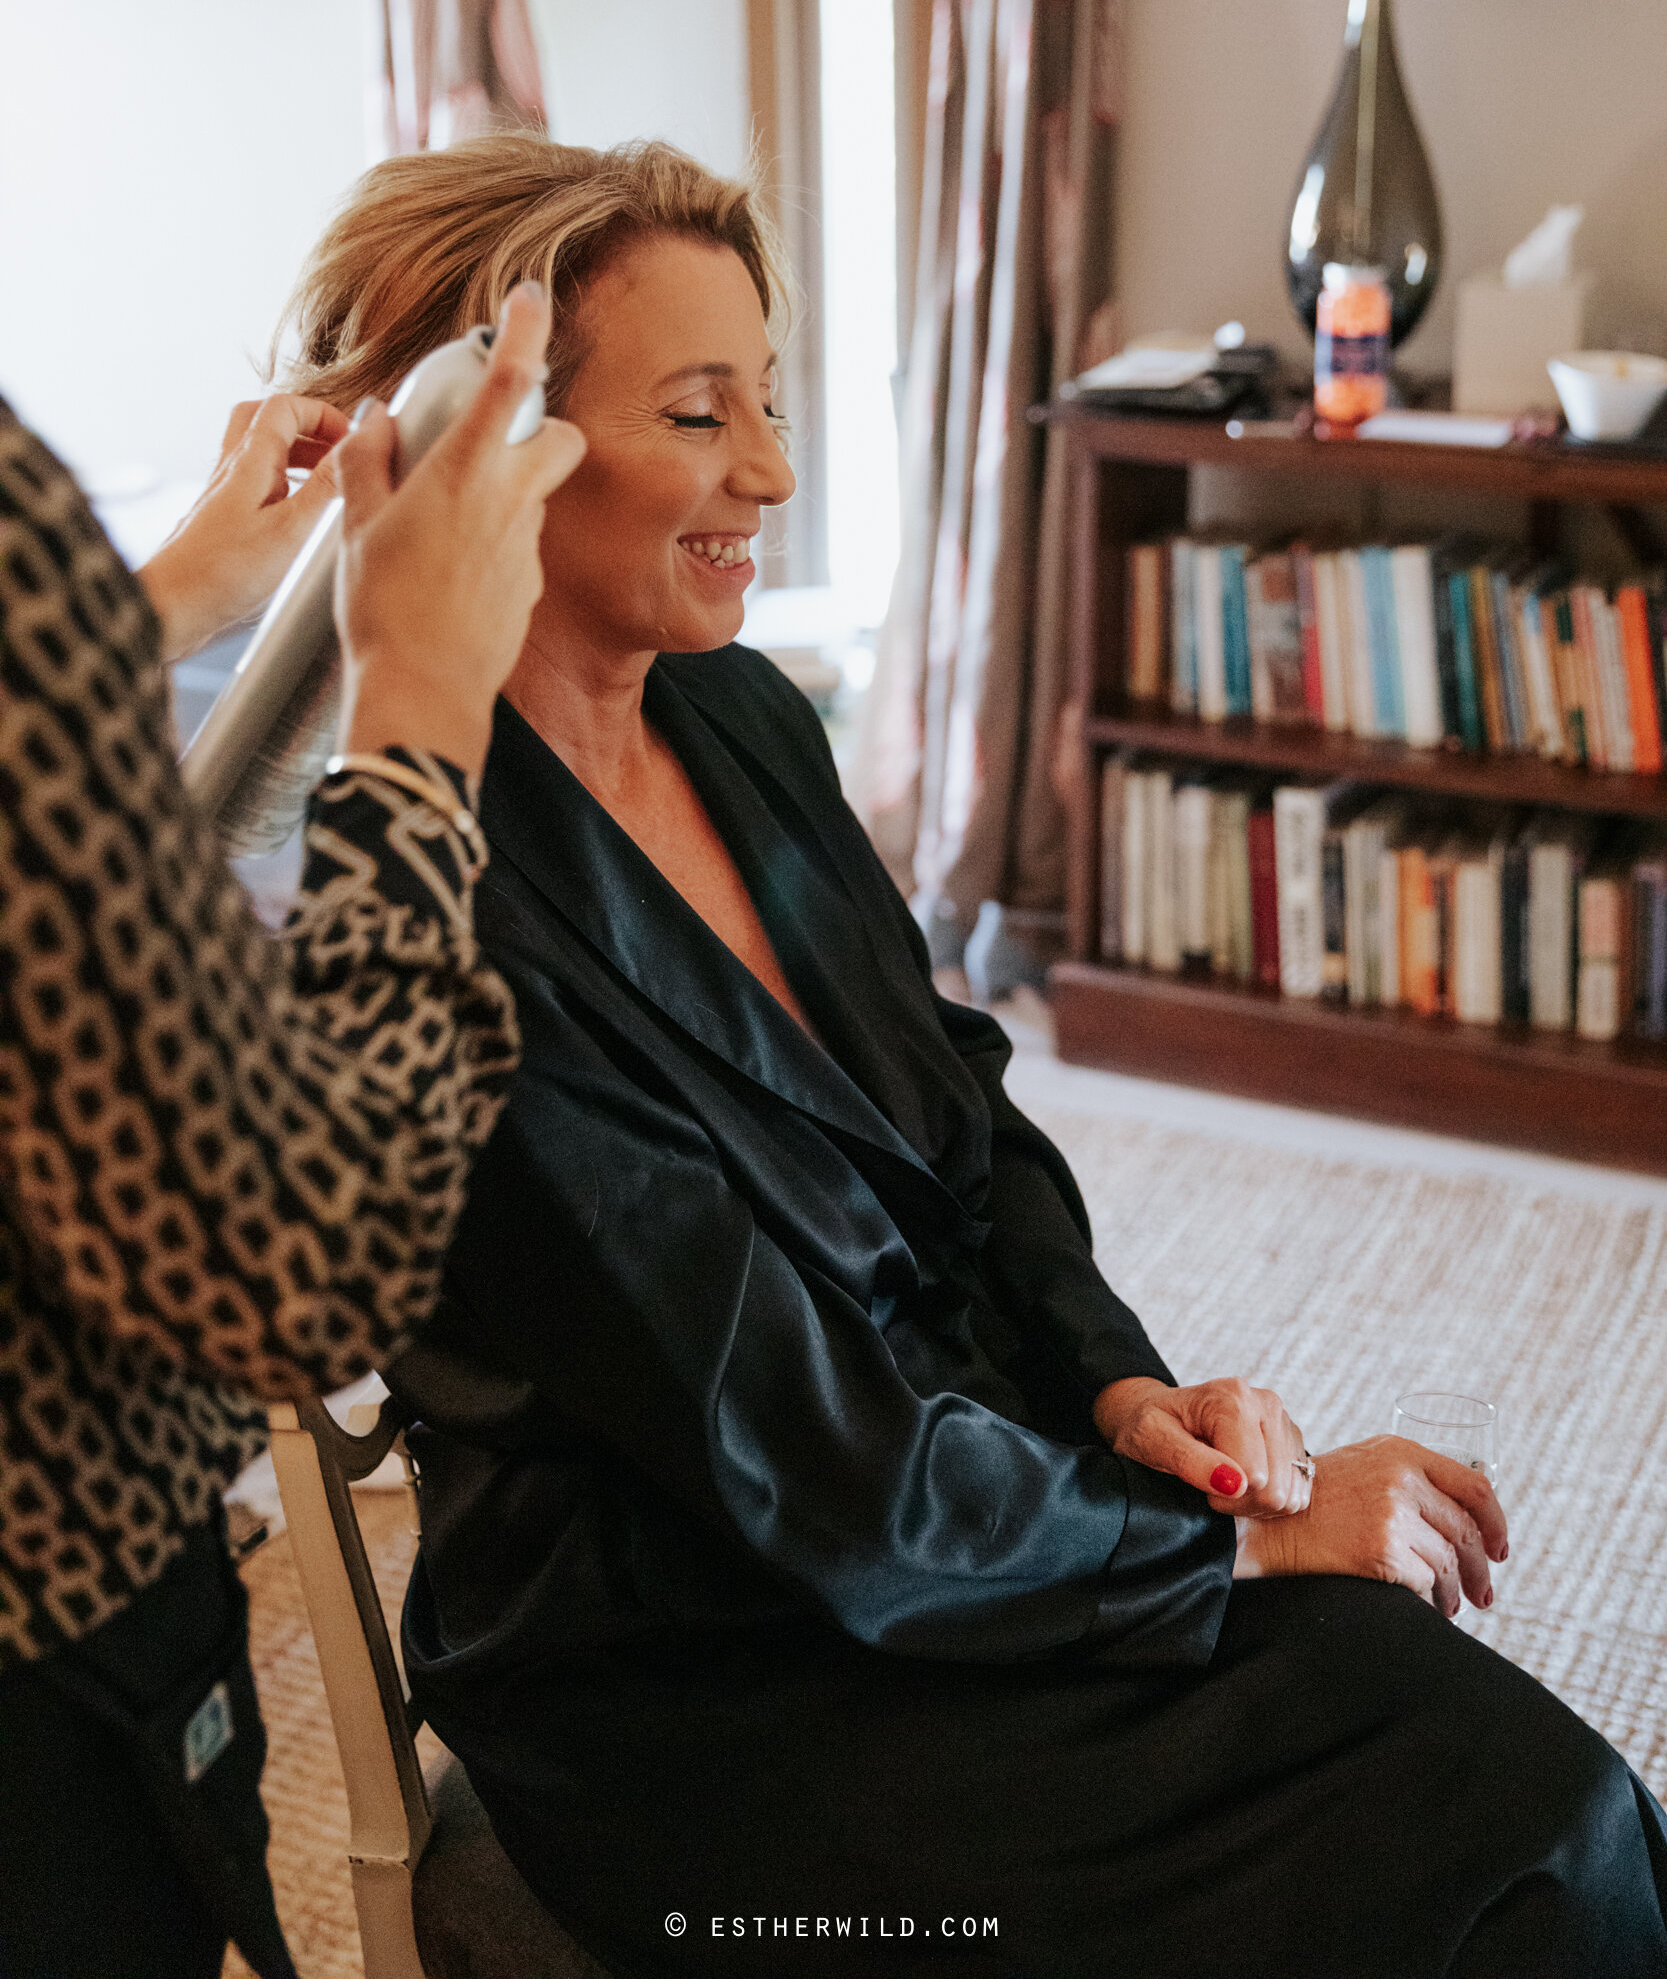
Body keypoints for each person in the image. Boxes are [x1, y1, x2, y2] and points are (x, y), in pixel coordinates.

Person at [277, 135, 1667, 1979]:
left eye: (765, 402)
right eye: (702, 416)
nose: (771, 473)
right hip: (712, 1681)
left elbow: (966, 1107)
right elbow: (787, 1450)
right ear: (478, 446)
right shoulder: (430, 918)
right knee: (1510, 1838)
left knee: (1496, 1759)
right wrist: (1234, 1546)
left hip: (958, 1496)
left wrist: (1119, 1397)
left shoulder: (740, 711)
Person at [0, 292, 585, 1979]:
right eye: (695, 413)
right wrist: (415, 706)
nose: (761, 471)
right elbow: (290, 1266)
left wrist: (158, 600)